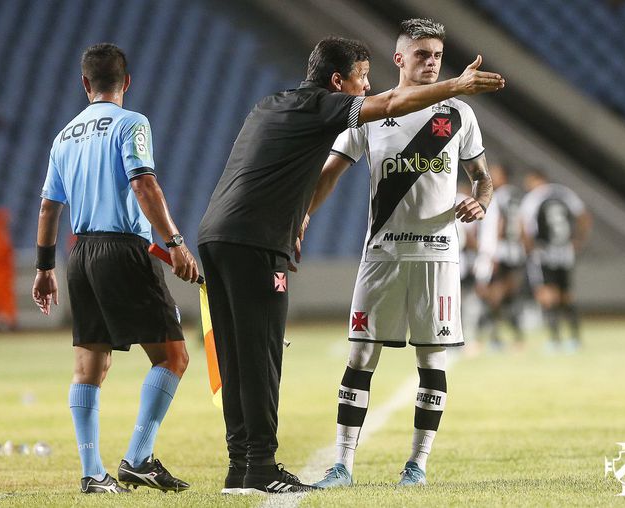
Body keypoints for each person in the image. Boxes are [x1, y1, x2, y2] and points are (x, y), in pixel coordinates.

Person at [197, 33, 503, 494]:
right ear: (338, 81)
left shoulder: (272, 103)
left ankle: (241, 466)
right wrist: (458, 85)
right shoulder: (336, 108)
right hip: (267, 243)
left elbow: (284, 171)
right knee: (262, 354)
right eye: (361, 78)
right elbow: (388, 107)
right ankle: (261, 466)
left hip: (217, 234)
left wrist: (296, 220)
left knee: (235, 357)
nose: (366, 86)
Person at [301, 19, 495, 489]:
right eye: (422, 53)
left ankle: (417, 466)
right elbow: (330, 172)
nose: (431, 62)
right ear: (399, 58)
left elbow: (483, 179)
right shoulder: (368, 112)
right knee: (361, 355)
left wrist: (480, 201)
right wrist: (301, 216)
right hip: (382, 256)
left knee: (431, 363)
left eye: (437, 55)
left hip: (439, 258)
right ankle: (342, 464)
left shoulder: (459, 115)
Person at [32, 43, 198, 494]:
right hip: (124, 249)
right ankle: (139, 458)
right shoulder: (132, 123)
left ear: (85, 84)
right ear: (126, 82)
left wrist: (45, 268)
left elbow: (49, 207)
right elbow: (144, 183)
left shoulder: (64, 136)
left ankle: (93, 473)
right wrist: (176, 242)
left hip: (79, 254)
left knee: (89, 366)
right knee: (173, 357)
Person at [520, 169, 592, 352]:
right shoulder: (564, 193)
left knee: (546, 295)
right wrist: (578, 240)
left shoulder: (533, 198)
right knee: (566, 295)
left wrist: (529, 250)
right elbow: (584, 216)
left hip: (544, 252)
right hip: (565, 252)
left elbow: (524, 226)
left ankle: (555, 340)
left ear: (537, 179)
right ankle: (575, 339)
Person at [473, 163, 526, 350]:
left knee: (492, 296)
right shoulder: (517, 195)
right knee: (507, 296)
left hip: (498, 252)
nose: (491, 176)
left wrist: (491, 254)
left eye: (495, 173)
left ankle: (489, 339)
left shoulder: (496, 196)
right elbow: (522, 224)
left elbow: (499, 225)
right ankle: (516, 339)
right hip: (515, 252)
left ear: (503, 175)